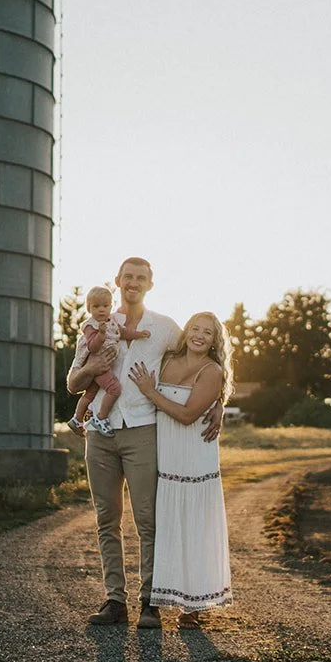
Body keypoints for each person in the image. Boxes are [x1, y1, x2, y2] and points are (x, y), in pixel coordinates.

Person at [67, 257, 221, 629]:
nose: (133, 283)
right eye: (128, 277)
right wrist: (91, 368)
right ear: (118, 281)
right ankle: (114, 601)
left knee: (148, 520)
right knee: (107, 519)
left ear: (150, 284)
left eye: (141, 278)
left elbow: (200, 361)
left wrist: (219, 403)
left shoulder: (166, 329)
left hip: (144, 432)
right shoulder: (94, 324)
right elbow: (73, 382)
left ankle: (149, 602)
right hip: (101, 435)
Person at [129, 311, 233, 628]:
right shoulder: (168, 360)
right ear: (186, 332)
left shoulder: (212, 370)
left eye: (208, 332)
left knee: (194, 529)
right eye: (195, 329)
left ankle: (194, 608)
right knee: (170, 528)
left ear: (215, 341)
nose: (199, 335)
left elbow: (187, 415)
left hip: (194, 459)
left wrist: (150, 391)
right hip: (167, 458)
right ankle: (166, 599)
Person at [66, 285, 148, 438]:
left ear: (111, 306)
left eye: (105, 306)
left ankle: (77, 419)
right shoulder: (91, 326)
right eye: (96, 306)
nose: (101, 310)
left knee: (90, 393)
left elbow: (123, 332)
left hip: (104, 363)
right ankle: (101, 417)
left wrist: (138, 334)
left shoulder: (112, 321)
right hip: (99, 362)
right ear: (89, 308)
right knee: (114, 389)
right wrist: (101, 334)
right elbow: (92, 346)